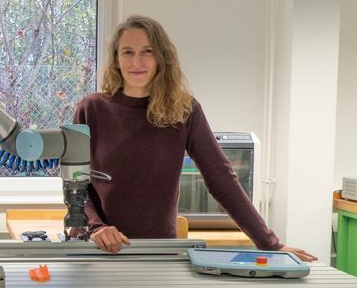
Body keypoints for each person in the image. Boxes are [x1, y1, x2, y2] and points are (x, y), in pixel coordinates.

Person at [73, 15, 317, 261]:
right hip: (98, 250)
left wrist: (270, 245)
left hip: (159, 254)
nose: (137, 61)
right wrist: (95, 227)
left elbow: (222, 180)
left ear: (161, 57)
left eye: (147, 51)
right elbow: (74, 184)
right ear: (116, 58)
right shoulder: (91, 109)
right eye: (127, 52)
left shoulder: (183, 110)